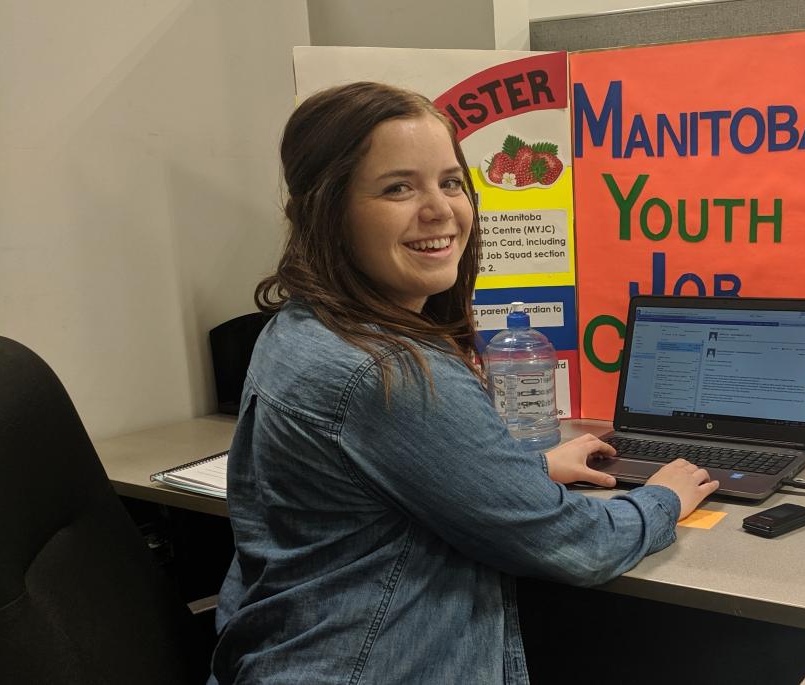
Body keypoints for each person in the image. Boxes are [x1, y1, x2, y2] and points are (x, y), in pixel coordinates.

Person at [209, 81, 719, 684]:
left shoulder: (299, 327)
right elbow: (573, 546)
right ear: (327, 210)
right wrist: (664, 497)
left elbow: (391, 490)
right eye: (398, 187)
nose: (440, 210)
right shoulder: (388, 369)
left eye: (450, 182)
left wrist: (527, 470)